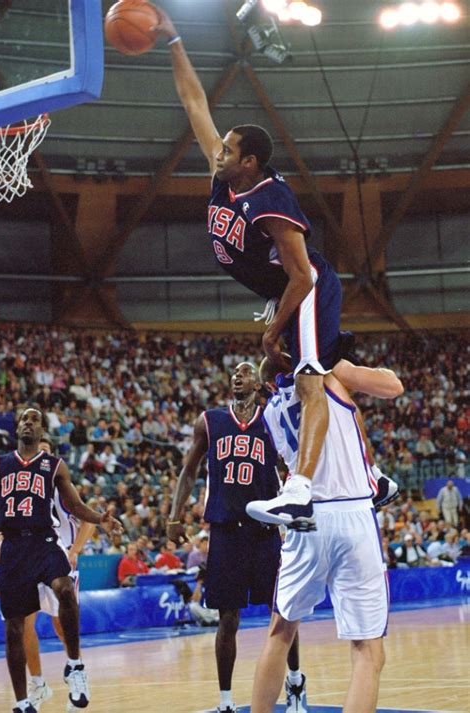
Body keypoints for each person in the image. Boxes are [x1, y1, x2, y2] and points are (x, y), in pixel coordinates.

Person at [156, 6, 402, 530]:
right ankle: (373, 476)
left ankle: (299, 491)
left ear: (250, 162)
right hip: (283, 292)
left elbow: (305, 276)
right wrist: (172, 39)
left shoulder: (273, 201)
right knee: (289, 389)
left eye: (227, 150)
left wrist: (273, 328)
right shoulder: (226, 178)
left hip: (308, 287)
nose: (217, 153)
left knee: (310, 380)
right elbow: (194, 102)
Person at [247, 359, 402, 713]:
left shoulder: (271, 413)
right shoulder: (328, 377)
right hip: (352, 510)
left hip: (306, 516)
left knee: (280, 632)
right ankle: (378, 477)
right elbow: (392, 386)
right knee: (369, 651)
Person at [167, 362, 306, 713]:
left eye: (245, 372)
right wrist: (174, 515)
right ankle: (226, 701)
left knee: (283, 611)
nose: (236, 376)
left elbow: (296, 462)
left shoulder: (272, 420)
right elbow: (189, 469)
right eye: (234, 373)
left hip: (264, 531)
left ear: (258, 383)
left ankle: (295, 681)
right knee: (228, 619)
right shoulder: (210, 421)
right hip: (226, 530)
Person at [0, 407, 121, 713]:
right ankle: (25, 700)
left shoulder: (54, 466)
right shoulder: (0, 465)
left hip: (45, 540)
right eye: (24, 418)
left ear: (42, 434)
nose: (28, 422)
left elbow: (76, 506)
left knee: (65, 588)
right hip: (12, 546)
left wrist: (100, 519)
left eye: (35, 419)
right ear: (17, 429)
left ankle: (75, 667)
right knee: (16, 626)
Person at [23, 435, 96, 711]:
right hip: (29, 560)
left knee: (60, 625)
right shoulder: (20, 488)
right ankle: (38, 685)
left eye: (45, 452)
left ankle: (75, 668)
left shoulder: (61, 487)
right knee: (24, 624)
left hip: (59, 561)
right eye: (35, 451)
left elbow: (90, 521)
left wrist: (74, 550)